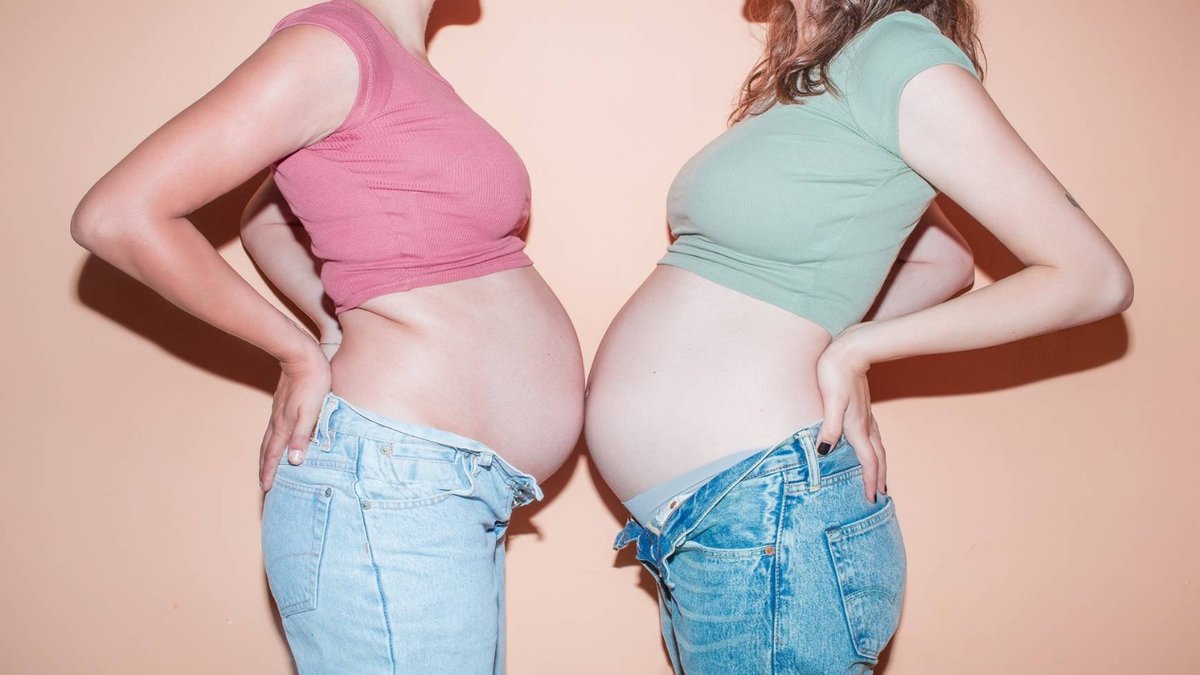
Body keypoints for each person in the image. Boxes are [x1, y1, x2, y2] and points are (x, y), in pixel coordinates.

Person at [584, 0, 1134, 672]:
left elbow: (1093, 277)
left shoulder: (893, 49)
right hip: (716, 523)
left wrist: (855, 348)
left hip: (769, 511)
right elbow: (943, 261)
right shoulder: (819, 76)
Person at [69, 1, 584, 672]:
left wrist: (337, 322)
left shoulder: (398, 62)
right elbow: (118, 214)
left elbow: (267, 220)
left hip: (436, 489)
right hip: (391, 486)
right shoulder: (332, 46)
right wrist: (298, 351)